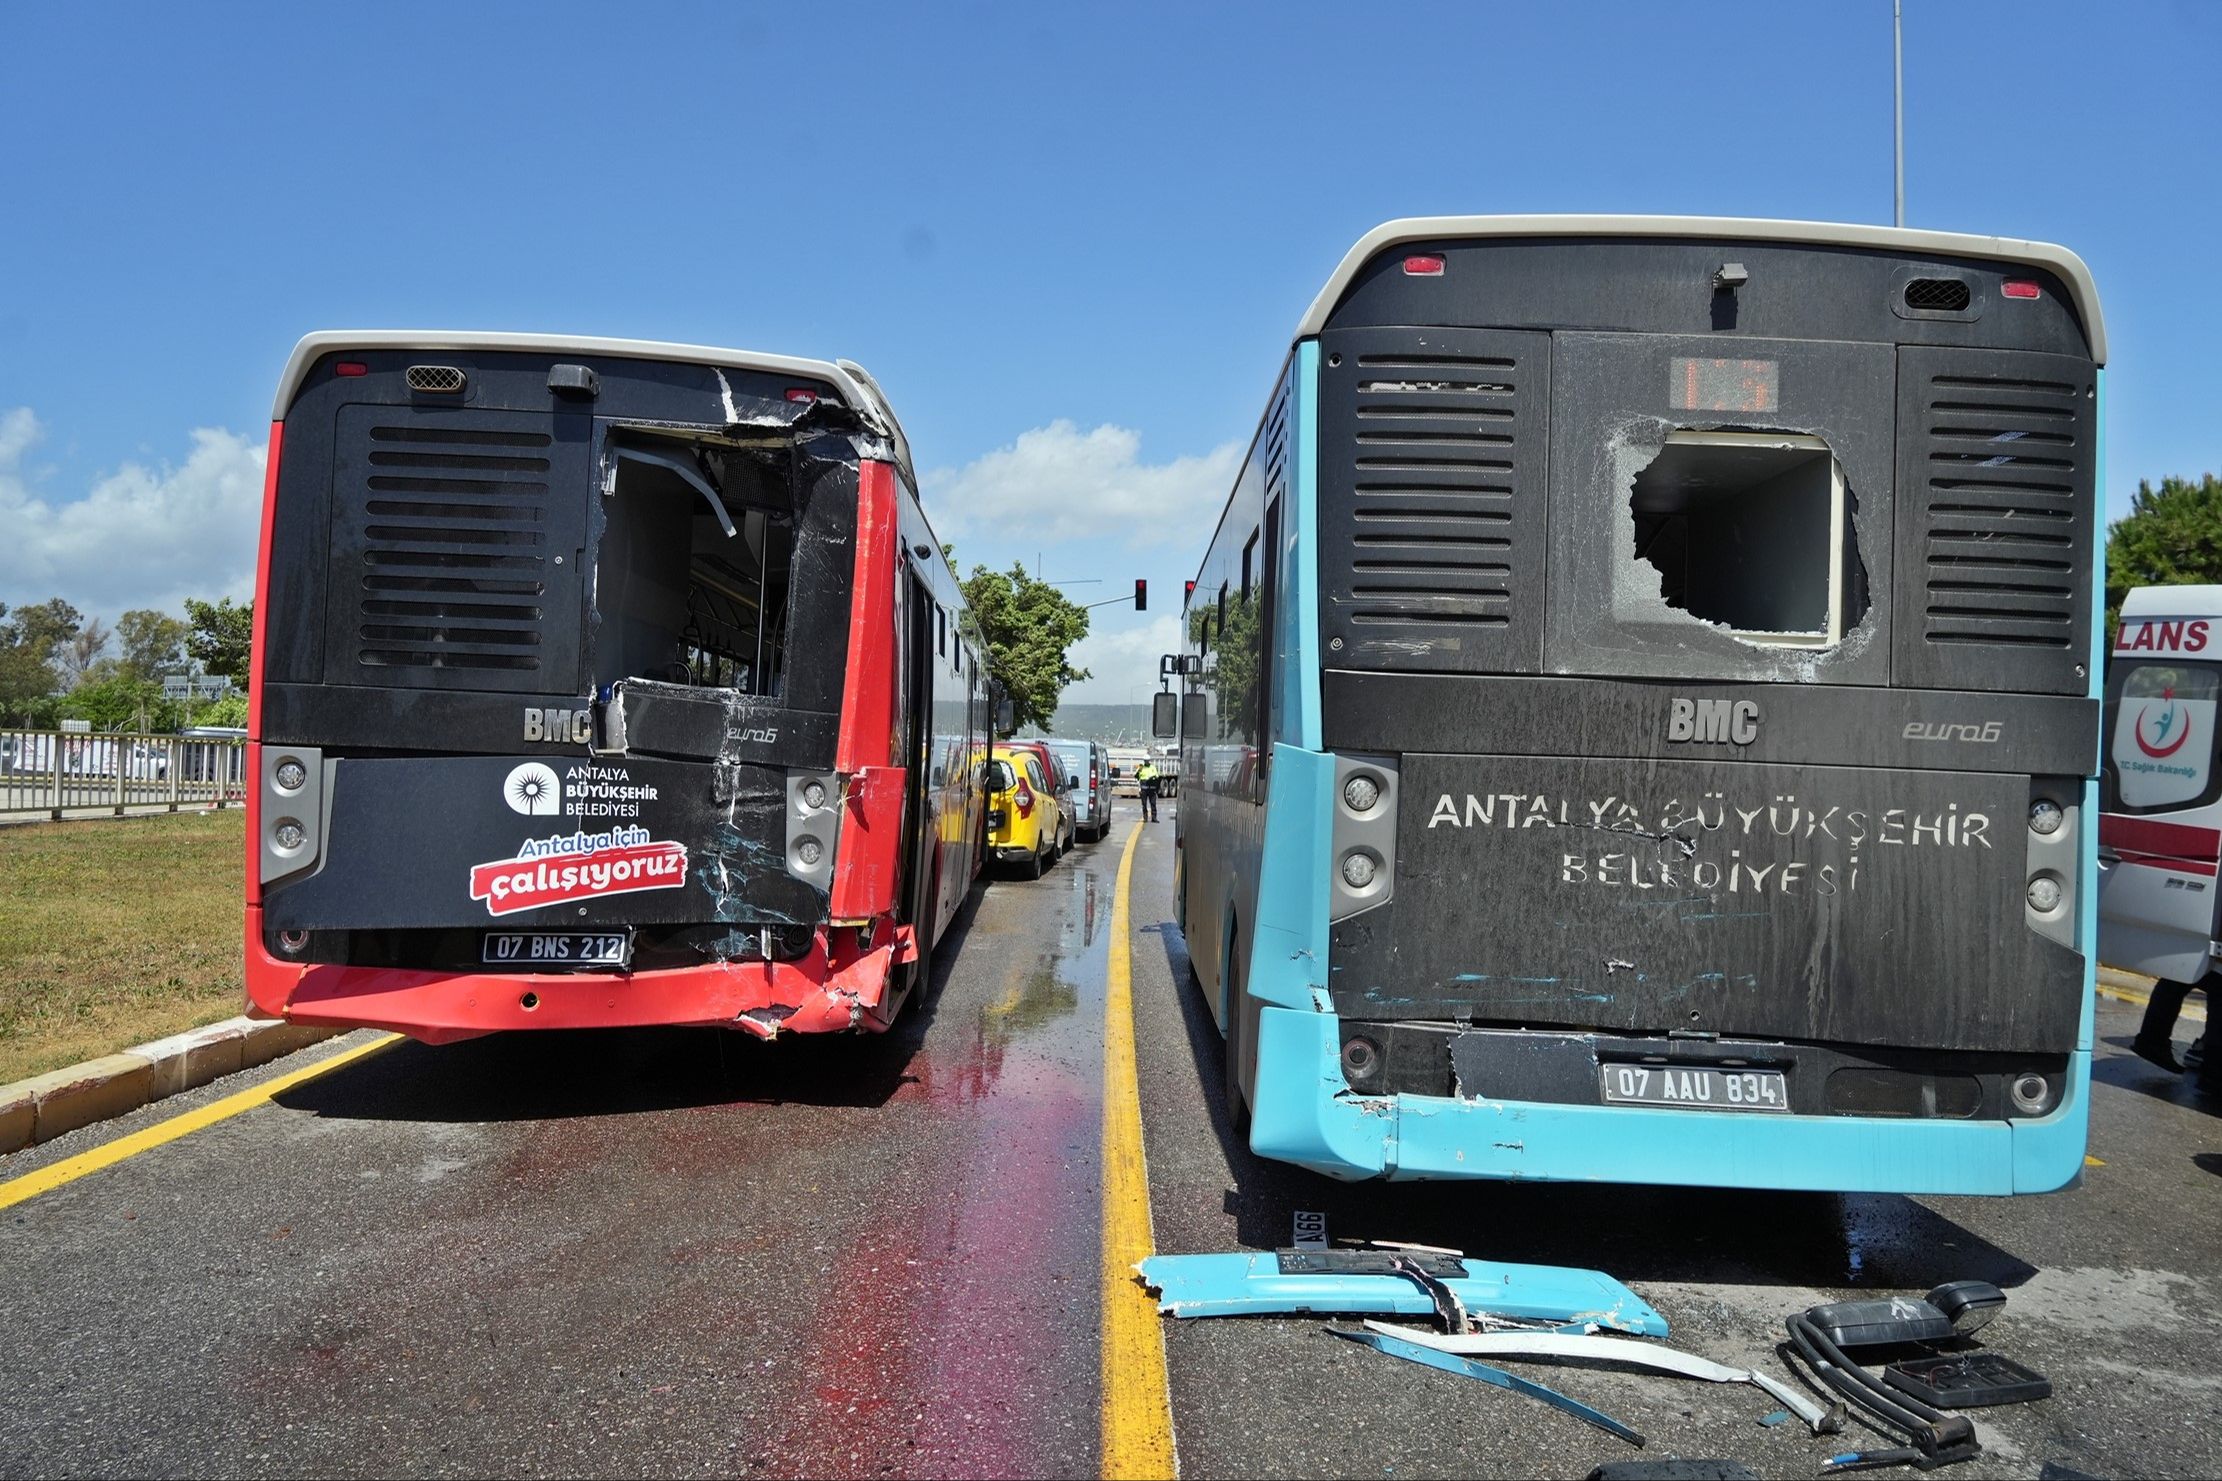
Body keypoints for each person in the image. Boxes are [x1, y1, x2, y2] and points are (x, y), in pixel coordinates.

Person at [1135, 757, 1161, 822]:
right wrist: (1139, 788)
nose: (1146, 762)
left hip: (1152, 789)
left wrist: (1153, 777)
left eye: (1147, 760)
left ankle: (1154, 818)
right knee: (1144, 804)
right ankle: (1145, 817)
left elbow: (1157, 776)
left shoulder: (1153, 767)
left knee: (1153, 803)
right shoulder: (1141, 768)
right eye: (1145, 760)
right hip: (1144, 789)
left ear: (1149, 761)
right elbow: (1137, 777)